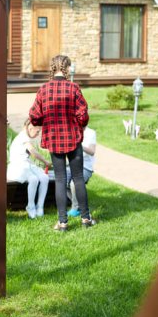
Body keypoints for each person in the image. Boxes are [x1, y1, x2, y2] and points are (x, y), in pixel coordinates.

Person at [29, 54, 96, 231]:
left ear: (52, 68)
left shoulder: (44, 89)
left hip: (54, 139)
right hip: (73, 138)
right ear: (67, 68)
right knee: (78, 177)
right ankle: (86, 219)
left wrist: (44, 121)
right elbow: (83, 114)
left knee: (60, 179)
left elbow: (34, 116)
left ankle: (63, 222)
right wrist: (80, 125)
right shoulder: (73, 88)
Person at [7, 119, 51, 219]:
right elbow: (32, 151)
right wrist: (45, 161)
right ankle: (30, 206)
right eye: (37, 131)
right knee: (33, 179)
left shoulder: (26, 137)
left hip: (26, 165)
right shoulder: (23, 137)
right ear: (30, 128)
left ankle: (40, 206)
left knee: (44, 178)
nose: (38, 134)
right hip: (17, 167)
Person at [67, 126, 96, 217]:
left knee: (74, 183)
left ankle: (75, 208)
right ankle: (78, 204)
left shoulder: (90, 132)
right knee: (61, 179)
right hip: (71, 166)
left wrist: (78, 144)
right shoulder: (71, 129)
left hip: (85, 167)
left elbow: (92, 151)